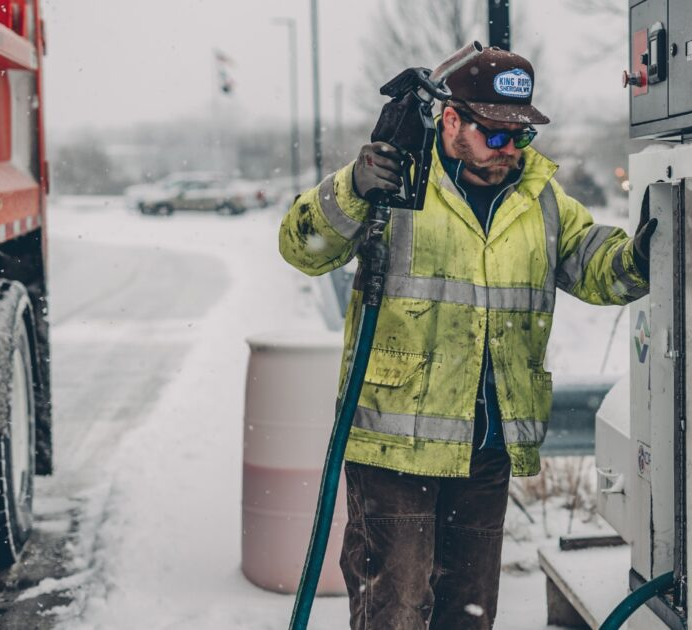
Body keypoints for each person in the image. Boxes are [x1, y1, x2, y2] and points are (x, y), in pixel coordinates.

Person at [278, 47, 655, 630]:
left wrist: (643, 256)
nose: (508, 153)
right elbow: (302, 247)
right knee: (396, 611)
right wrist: (352, 188)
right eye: (495, 137)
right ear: (451, 120)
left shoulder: (541, 196)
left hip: (487, 445)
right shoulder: (396, 180)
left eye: (519, 139)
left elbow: (594, 264)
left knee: (470, 614)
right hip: (395, 448)